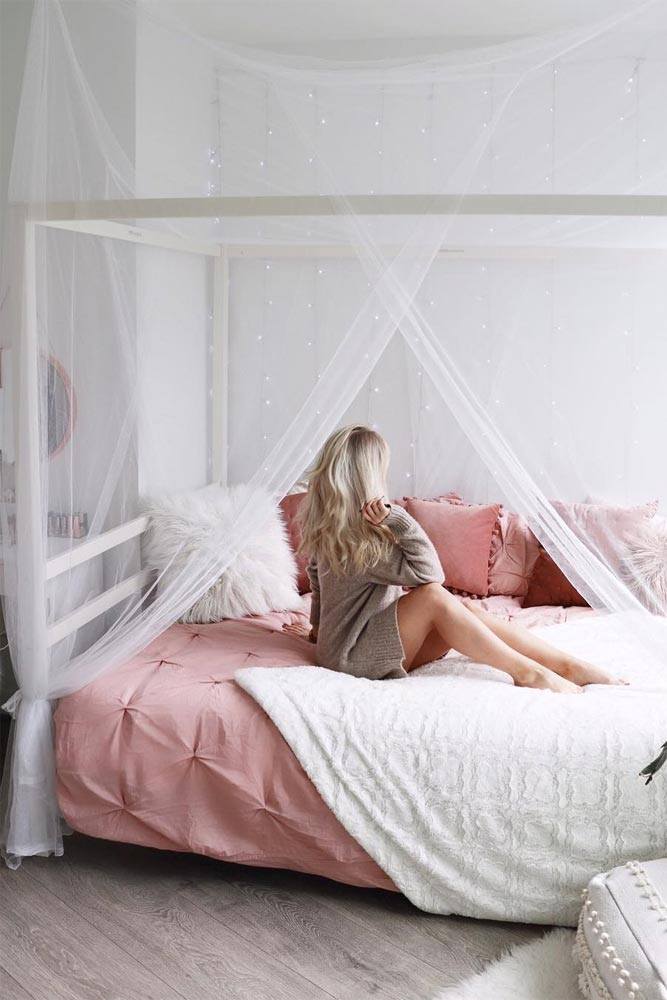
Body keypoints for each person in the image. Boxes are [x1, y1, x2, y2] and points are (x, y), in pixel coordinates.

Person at [283, 425, 624, 692]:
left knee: (467, 610)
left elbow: (319, 584)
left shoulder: (333, 531)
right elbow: (432, 575)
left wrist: (317, 630)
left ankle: (566, 665)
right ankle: (527, 672)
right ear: (368, 479)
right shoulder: (363, 542)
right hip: (354, 657)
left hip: (348, 649)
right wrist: (398, 519)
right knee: (433, 597)